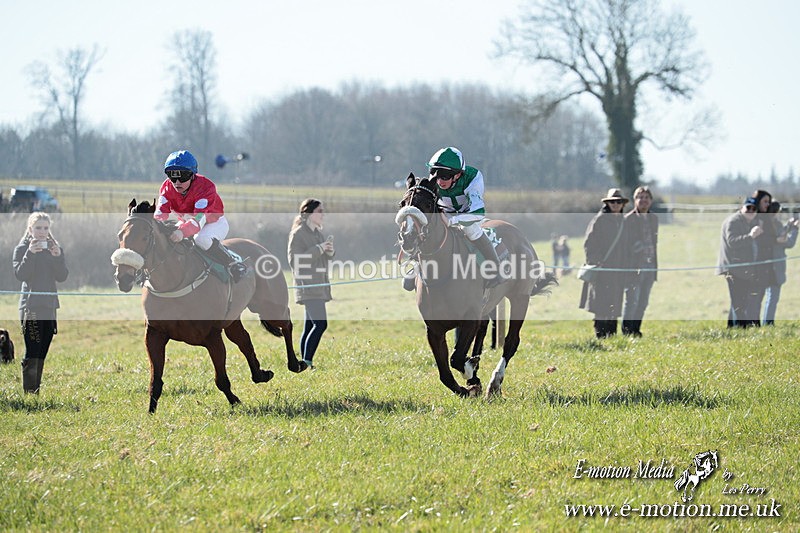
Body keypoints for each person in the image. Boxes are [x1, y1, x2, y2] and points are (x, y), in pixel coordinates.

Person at [154, 150, 248, 282]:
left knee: (201, 239)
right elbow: (160, 214)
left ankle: (233, 263)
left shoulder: (205, 187)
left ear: (192, 175)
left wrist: (182, 232)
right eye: (172, 176)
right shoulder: (166, 187)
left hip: (213, 223)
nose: (177, 182)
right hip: (187, 222)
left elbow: (199, 219)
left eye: (183, 176)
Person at [428, 146, 502, 287]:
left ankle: (495, 267)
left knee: (470, 229)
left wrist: (452, 221)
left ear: (457, 175)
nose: (439, 181)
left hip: (468, 213)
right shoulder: (435, 180)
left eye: (445, 176)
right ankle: (416, 266)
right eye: (435, 174)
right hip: (444, 211)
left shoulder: (472, 178)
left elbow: (478, 214)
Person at [12, 212, 69, 393]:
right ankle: (29, 393)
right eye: (38, 228)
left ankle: (34, 391)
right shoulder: (22, 249)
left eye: (45, 228)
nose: (42, 232)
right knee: (33, 349)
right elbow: (21, 275)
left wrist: (58, 257)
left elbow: (62, 276)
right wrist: (30, 254)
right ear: (30, 229)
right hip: (31, 307)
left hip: (49, 306)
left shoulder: (54, 248)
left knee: (43, 350)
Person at [288, 199, 334, 369]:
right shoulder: (298, 234)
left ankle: (304, 364)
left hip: (319, 286)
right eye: (319, 211)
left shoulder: (317, 234)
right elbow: (295, 261)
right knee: (321, 324)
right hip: (308, 286)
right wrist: (319, 249)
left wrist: (329, 251)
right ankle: (307, 363)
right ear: (308, 213)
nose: (323, 214)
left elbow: (322, 257)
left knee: (309, 326)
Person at [579, 188, 628, 338]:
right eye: (612, 201)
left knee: (615, 302)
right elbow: (589, 244)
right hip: (602, 270)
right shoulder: (599, 220)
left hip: (617, 270)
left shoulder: (623, 221)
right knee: (601, 304)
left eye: (618, 202)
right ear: (607, 203)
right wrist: (596, 262)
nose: (615, 204)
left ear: (622, 204)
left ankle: (611, 336)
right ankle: (600, 336)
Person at [716, 197, 764, 328]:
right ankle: (742, 329)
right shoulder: (734, 221)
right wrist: (751, 236)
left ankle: (732, 328)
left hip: (741, 268)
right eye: (748, 207)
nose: (751, 211)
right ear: (741, 208)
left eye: (754, 209)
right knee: (739, 301)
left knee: (739, 300)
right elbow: (732, 241)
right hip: (733, 268)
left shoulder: (746, 221)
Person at [621, 186, 659, 337]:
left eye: (646, 198)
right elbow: (625, 245)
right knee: (632, 301)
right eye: (640, 197)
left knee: (643, 302)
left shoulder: (654, 219)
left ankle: (636, 331)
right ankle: (627, 332)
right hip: (634, 267)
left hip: (650, 265)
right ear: (634, 200)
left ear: (651, 201)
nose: (644, 200)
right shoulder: (628, 219)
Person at [762, 201, 799, 325]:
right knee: (772, 297)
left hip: (764, 266)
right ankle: (768, 324)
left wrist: (788, 226)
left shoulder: (765, 223)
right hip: (774, 267)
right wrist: (795, 229)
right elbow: (788, 242)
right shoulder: (775, 225)